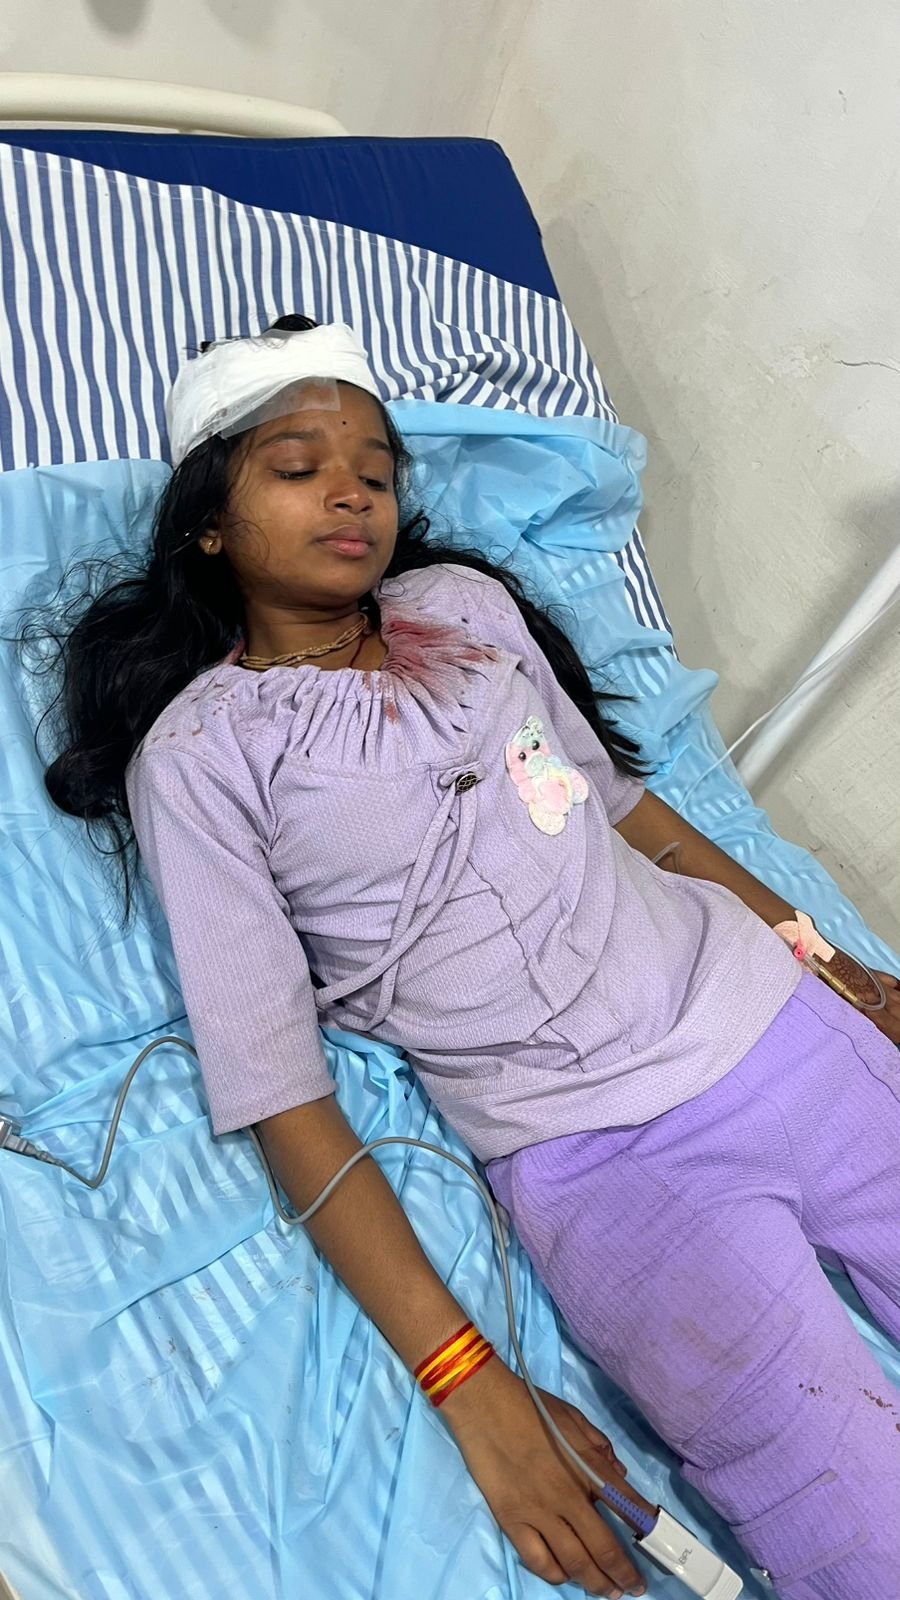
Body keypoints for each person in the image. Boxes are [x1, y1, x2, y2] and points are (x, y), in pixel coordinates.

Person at [44, 316, 900, 1600]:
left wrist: (821, 952)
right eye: (300, 466)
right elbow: (280, 1089)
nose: (353, 493)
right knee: (853, 1521)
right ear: (208, 523)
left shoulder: (466, 608)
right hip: (601, 1158)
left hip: (782, 1025)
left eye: (377, 472)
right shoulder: (203, 756)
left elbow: (626, 807)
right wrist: (469, 1381)